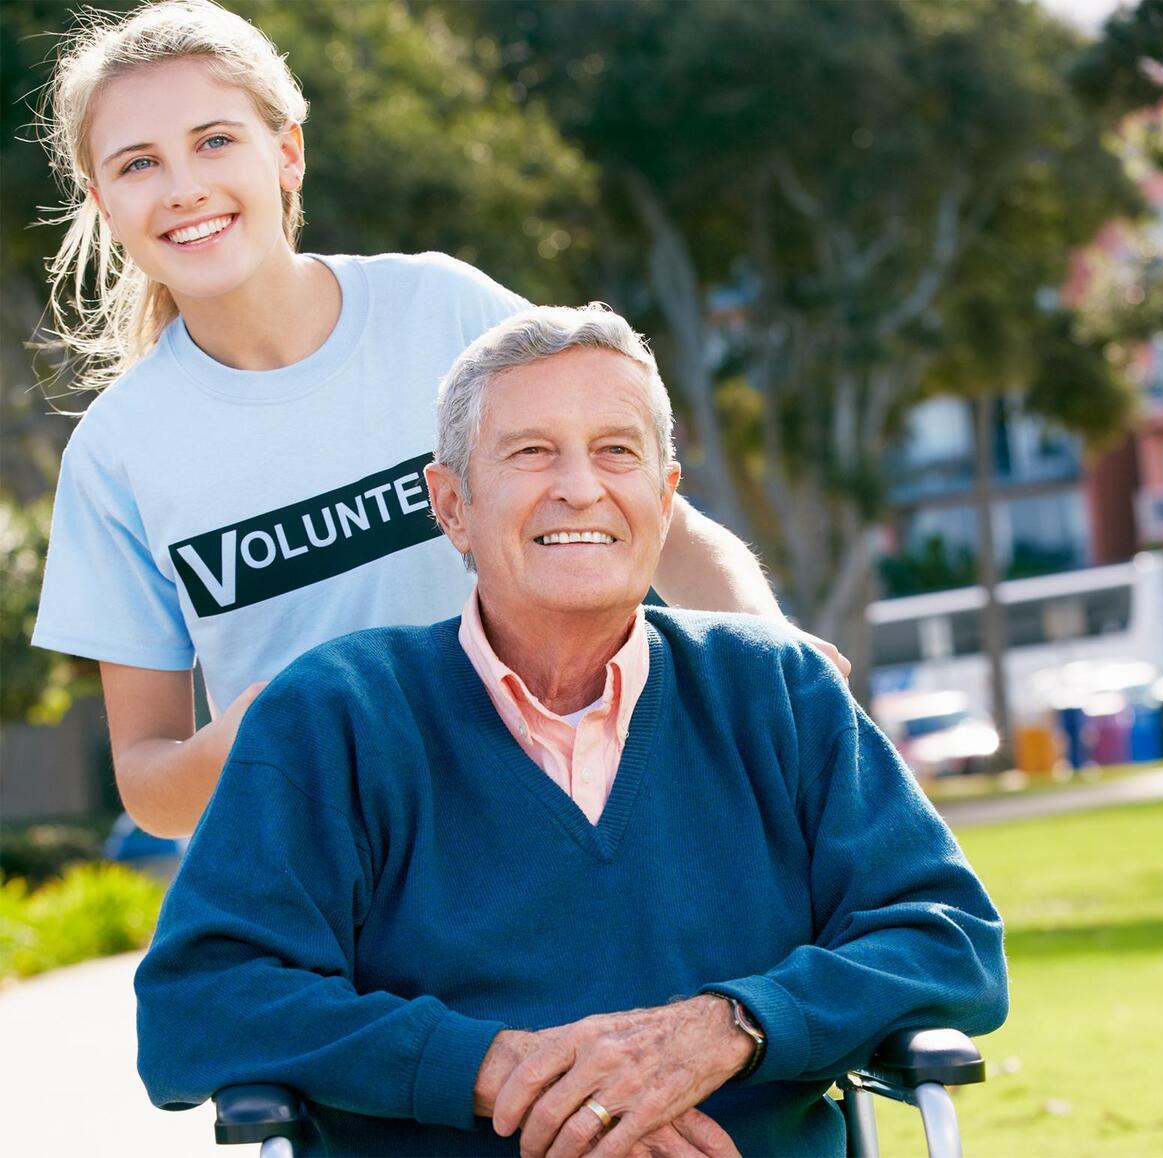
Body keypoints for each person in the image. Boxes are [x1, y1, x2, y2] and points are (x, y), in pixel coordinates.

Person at [135, 305, 1008, 1158]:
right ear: (452, 506)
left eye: (616, 451)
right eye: (530, 453)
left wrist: (723, 1030)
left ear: (664, 499)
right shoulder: (334, 714)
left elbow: (947, 940)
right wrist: (500, 1071)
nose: (580, 487)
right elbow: (202, 1000)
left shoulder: (778, 688)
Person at [30, 0, 849, 841]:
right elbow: (152, 786)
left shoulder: (441, 310)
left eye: (214, 141)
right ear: (101, 200)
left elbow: (659, 526)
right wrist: (272, 730)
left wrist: (776, 653)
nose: (184, 188)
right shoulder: (115, 456)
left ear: (287, 152)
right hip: (341, 902)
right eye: (138, 164)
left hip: (565, 832)